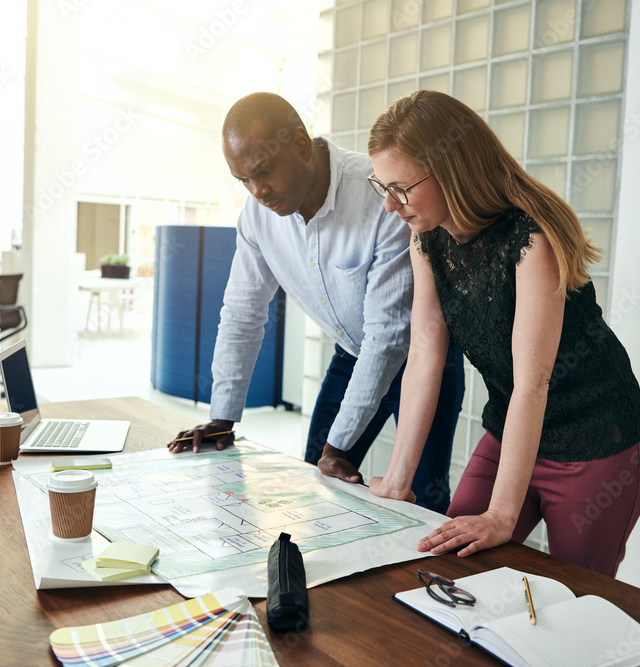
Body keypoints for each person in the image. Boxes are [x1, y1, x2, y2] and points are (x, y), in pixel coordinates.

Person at [365, 90, 640, 577]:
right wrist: (397, 481)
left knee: (575, 598)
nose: (391, 206)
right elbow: (425, 354)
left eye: (402, 189)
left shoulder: (529, 238)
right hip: (512, 431)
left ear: (449, 171)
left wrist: (501, 515)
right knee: (448, 567)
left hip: (596, 444)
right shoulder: (426, 239)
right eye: (382, 187)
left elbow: (532, 382)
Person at [168, 92, 464, 514]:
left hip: (424, 359)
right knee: (317, 485)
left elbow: (389, 336)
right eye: (244, 181)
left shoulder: (380, 197)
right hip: (352, 356)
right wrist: (223, 418)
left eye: (264, 171)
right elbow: (242, 314)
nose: (258, 192)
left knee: (425, 499)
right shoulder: (257, 218)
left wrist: (340, 444)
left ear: (301, 145)